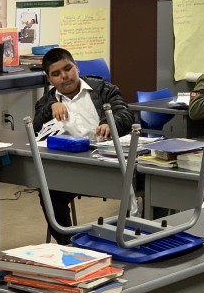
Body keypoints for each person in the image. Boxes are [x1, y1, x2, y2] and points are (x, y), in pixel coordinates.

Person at [32, 48, 133, 244]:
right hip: (73, 168)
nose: (64, 76)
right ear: (49, 79)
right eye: (56, 74)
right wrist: (49, 108)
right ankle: (69, 244)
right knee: (49, 193)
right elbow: (35, 130)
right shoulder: (47, 102)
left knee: (147, 186)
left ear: (76, 67)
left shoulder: (104, 89)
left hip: (111, 165)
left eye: (67, 69)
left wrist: (109, 123)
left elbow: (125, 115)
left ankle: (136, 237)